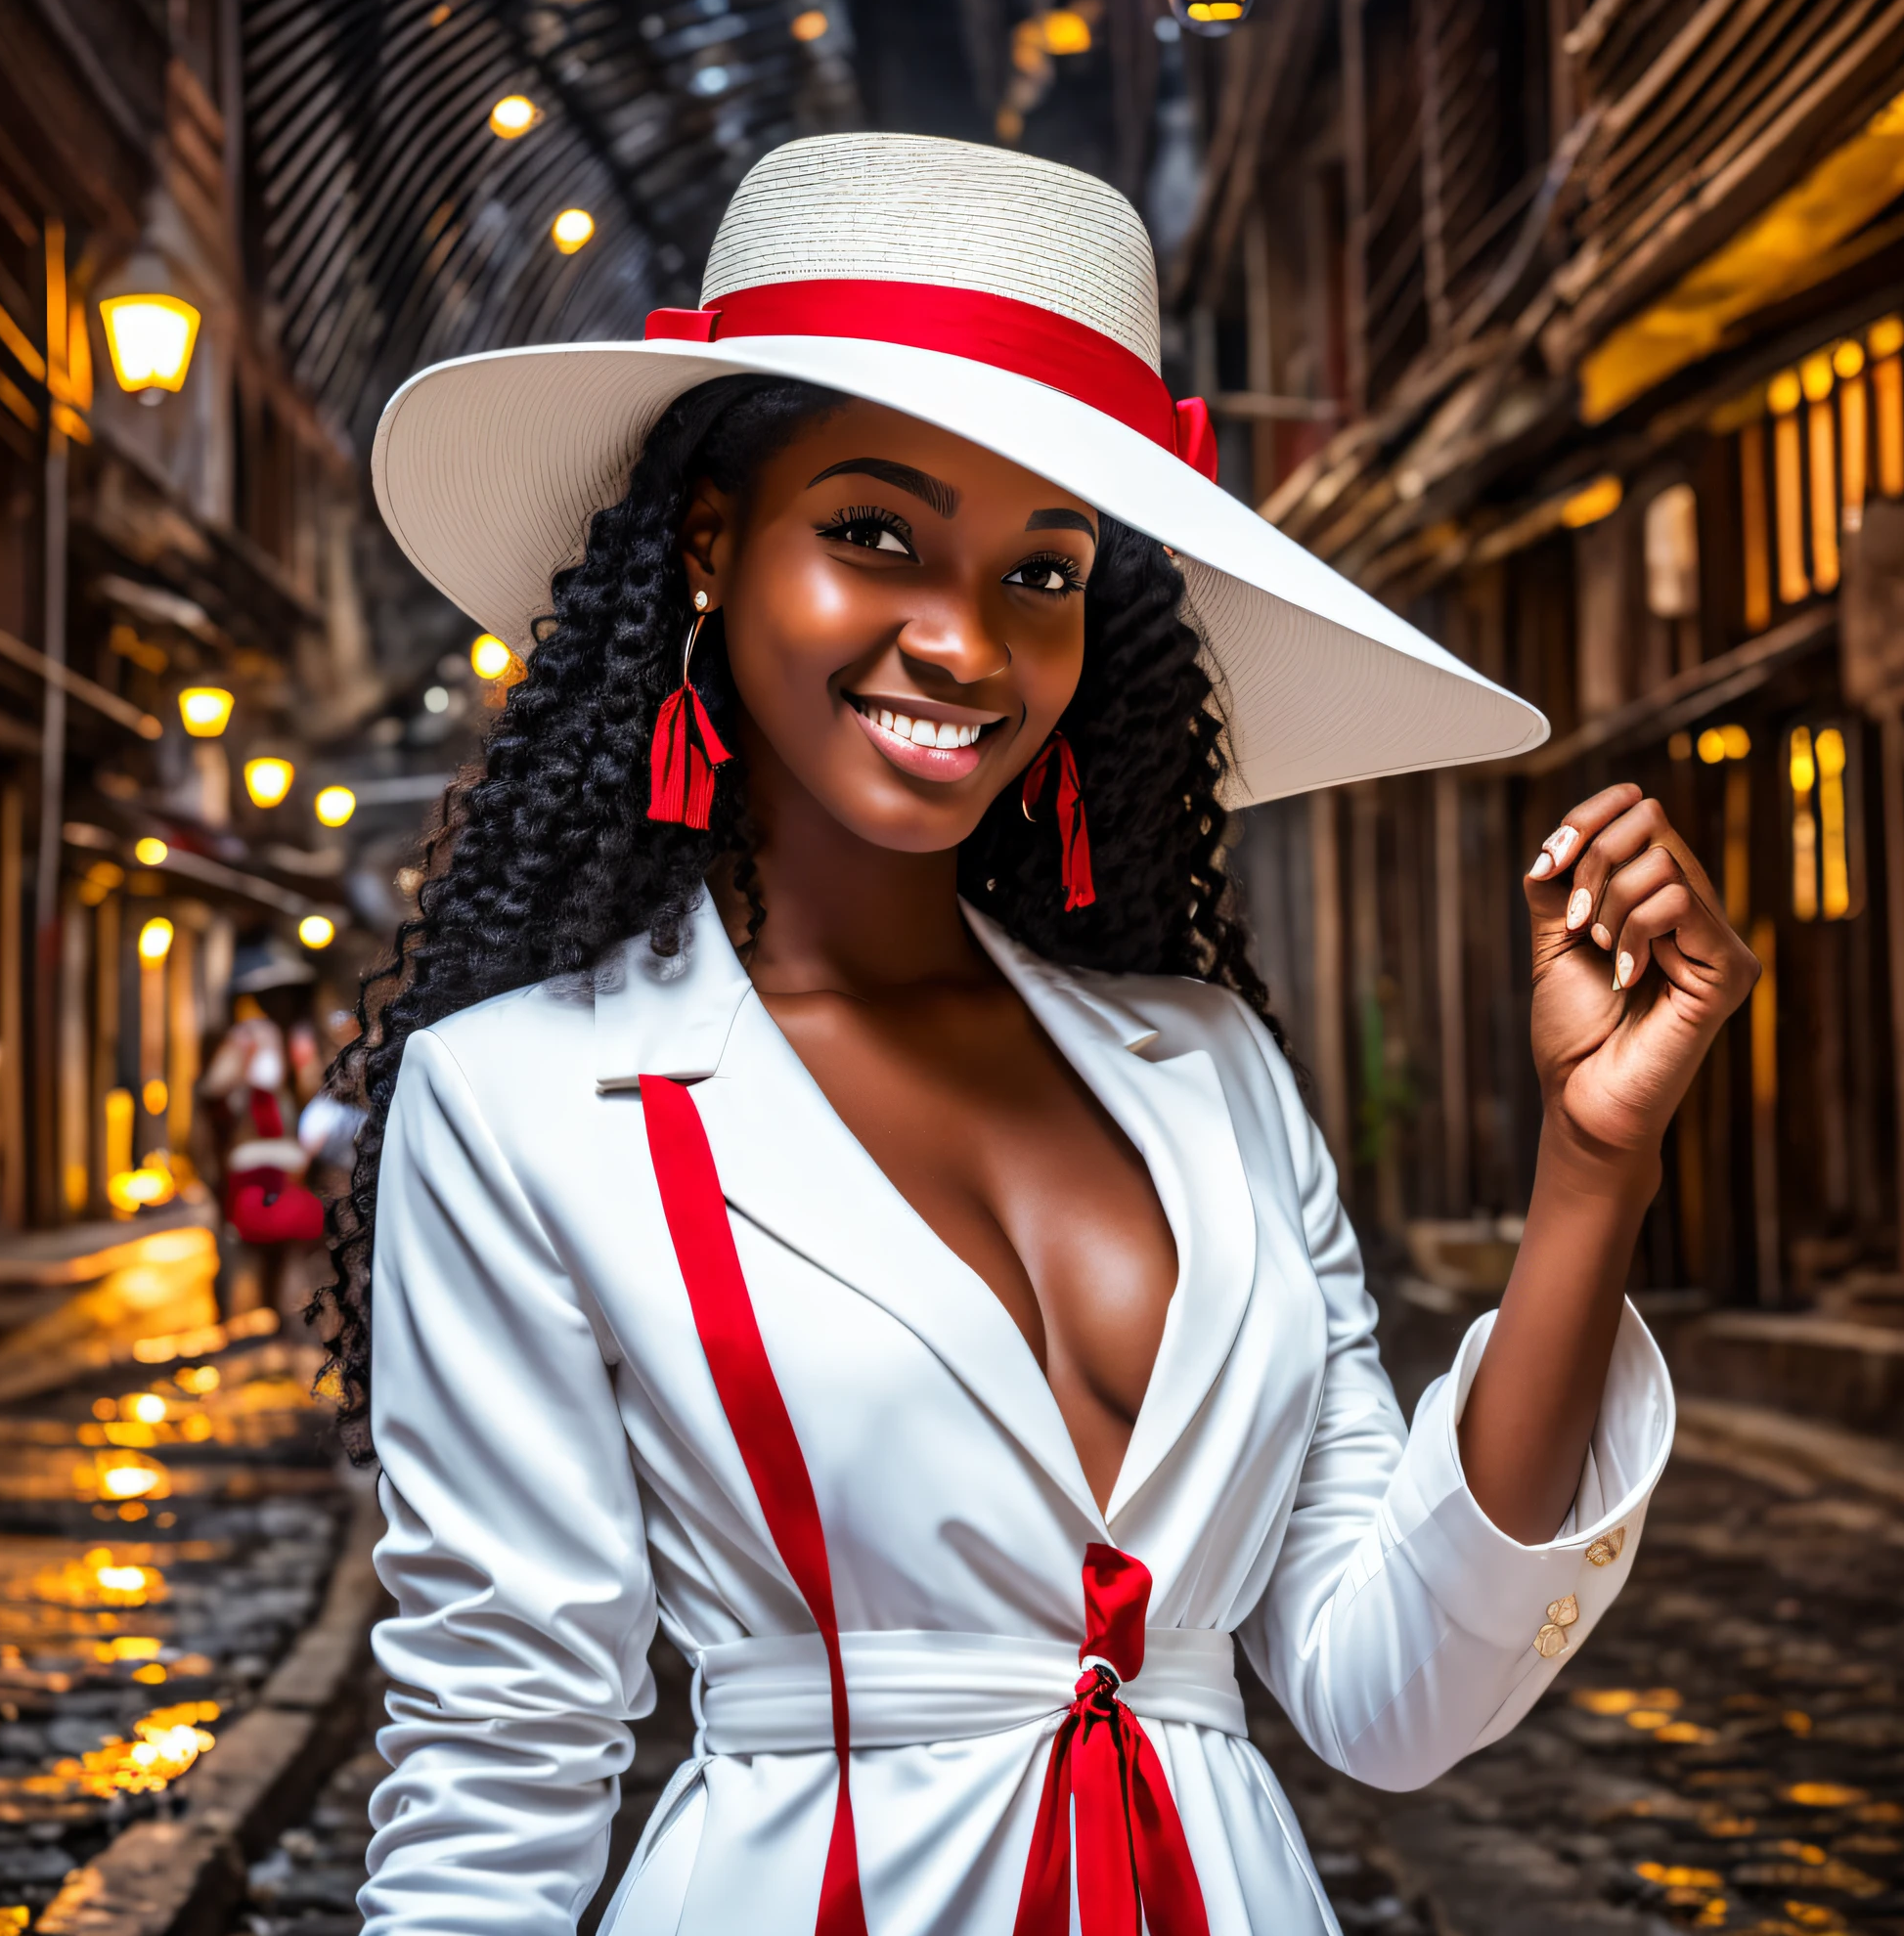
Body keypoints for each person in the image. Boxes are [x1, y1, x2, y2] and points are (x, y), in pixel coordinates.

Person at [330, 136, 1755, 1936]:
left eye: (1045, 571)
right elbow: (499, 1758)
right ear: (711, 547)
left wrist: (1591, 1170)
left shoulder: (1212, 1072)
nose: (965, 643)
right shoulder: (521, 1097)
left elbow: (1393, 1699)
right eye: (873, 536)